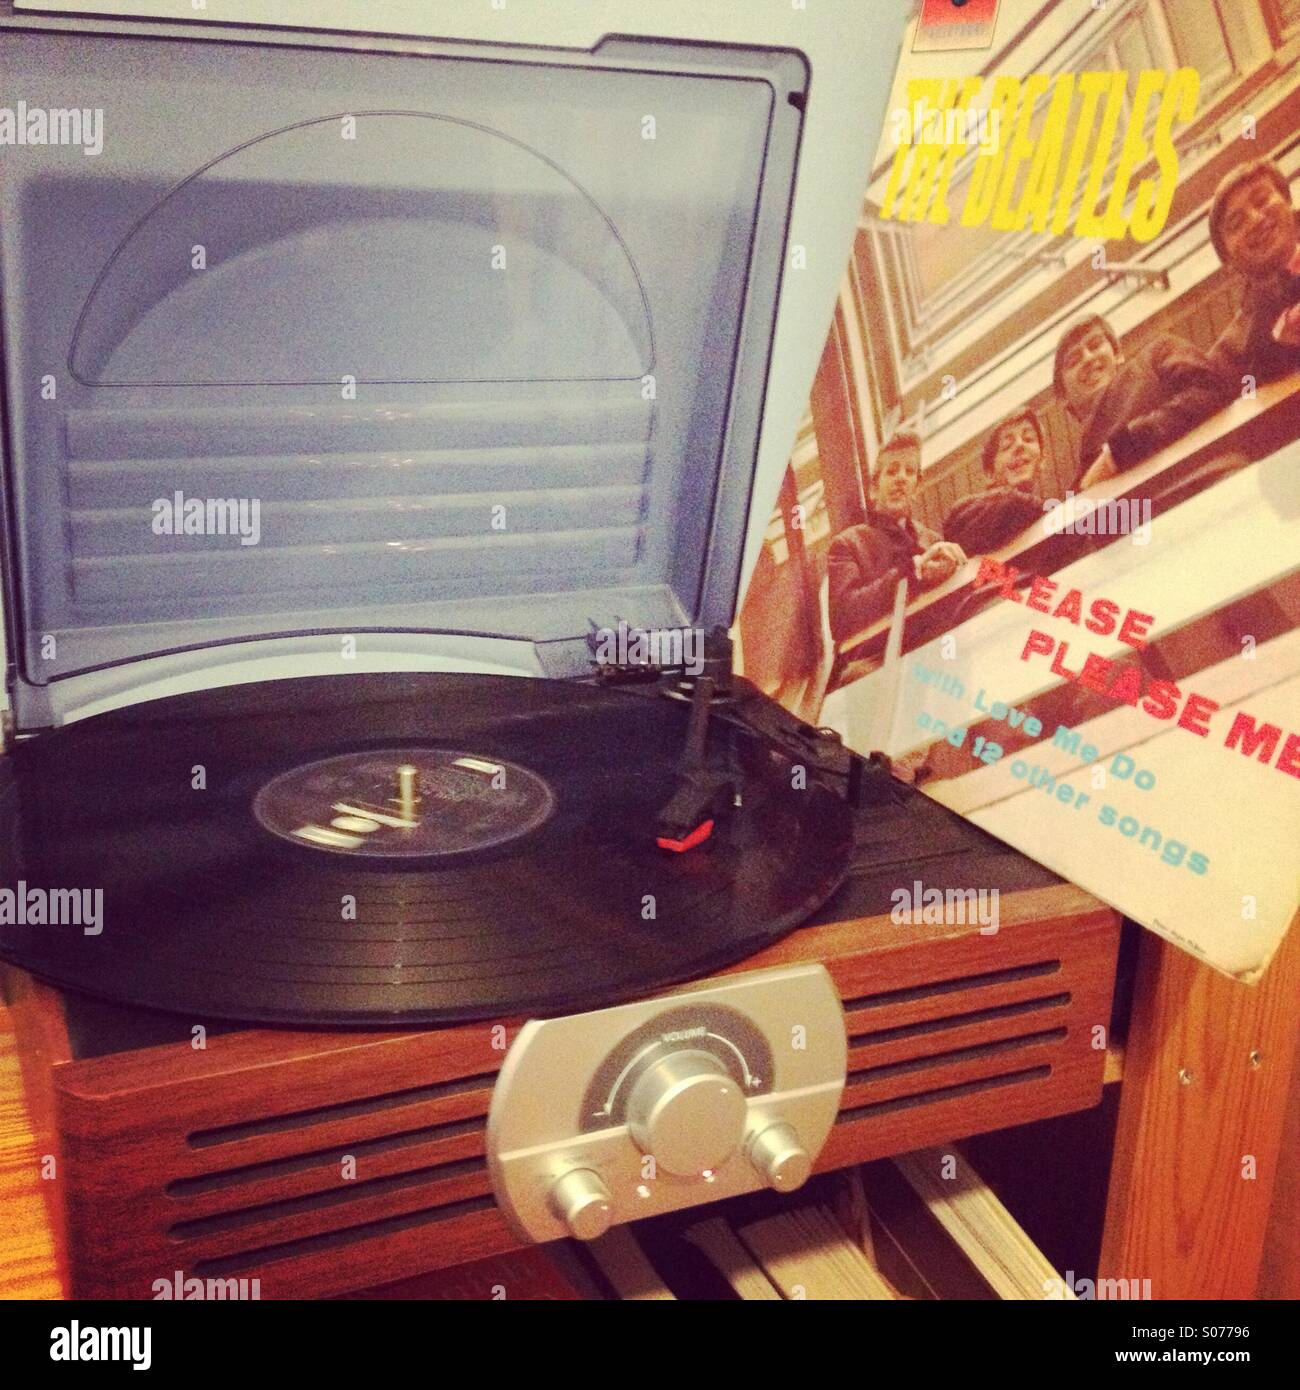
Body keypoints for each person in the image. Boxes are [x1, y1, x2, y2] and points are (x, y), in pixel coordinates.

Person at [1053, 314, 1229, 490]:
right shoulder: (1079, 485)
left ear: (1117, 354)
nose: (1088, 358)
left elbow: (1210, 386)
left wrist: (1123, 449)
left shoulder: (1156, 354)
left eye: (1095, 345)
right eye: (1074, 360)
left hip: (1211, 484)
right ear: (1063, 397)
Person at [827, 431, 966, 643]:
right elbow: (841, 619)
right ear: (873, 489)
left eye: (909, 472)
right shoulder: (848, 544)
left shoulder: (934, 541)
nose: (901, 478)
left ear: (916, 488)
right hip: (878, 662)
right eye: (892, 472)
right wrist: (913, 571)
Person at [1207, 156, 1300, 387]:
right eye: (1236, 223)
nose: (1256, 219)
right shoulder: (1228, 355)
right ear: (1228, 260)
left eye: (1261, 200)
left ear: (1287, 200)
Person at [942, 408, 1047, 555]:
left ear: (1042, 459)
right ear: (989, 474)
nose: (1019, 446)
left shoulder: (1049, 518)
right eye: (1006, 446)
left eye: (1028, 439)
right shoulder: (967, 515)